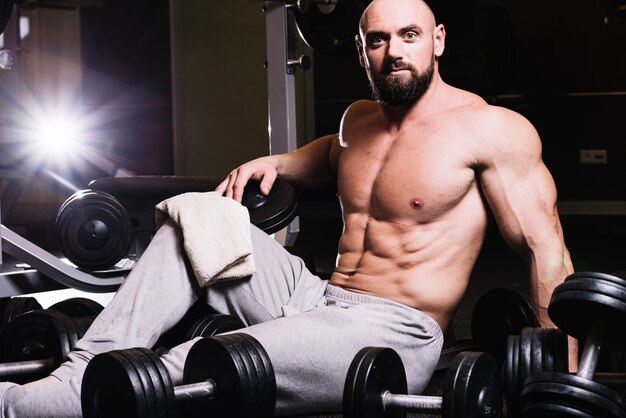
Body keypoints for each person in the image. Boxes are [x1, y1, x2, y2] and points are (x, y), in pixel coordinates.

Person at [0, 0, 574, 416]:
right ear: (361, 48)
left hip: (391, 331)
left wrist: (562, 377)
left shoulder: (491, 130)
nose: (393, 52)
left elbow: (544, 247)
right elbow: (331, 155)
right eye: (378, 39)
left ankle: (40, 406)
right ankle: (82, 371)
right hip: (314, 295)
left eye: (409, 35)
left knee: (213, 359)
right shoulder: (358, 119)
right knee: (200, 219)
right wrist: (275, 162)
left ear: (438, 39)